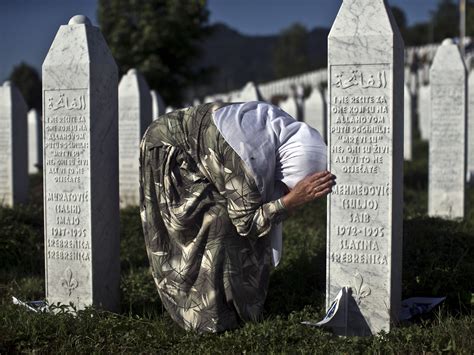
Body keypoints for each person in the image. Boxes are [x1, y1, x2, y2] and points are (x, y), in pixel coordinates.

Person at [139, 101, 334, 333]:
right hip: (168, 149)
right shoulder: (248, 158)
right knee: (217, 221)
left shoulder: (275, 133)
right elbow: (248, 223)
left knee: (238, 212)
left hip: (204, 147)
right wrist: (288, 202)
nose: (285, 192)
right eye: (287, 186)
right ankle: (204, 312)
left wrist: (285, 201)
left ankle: (234, 301)